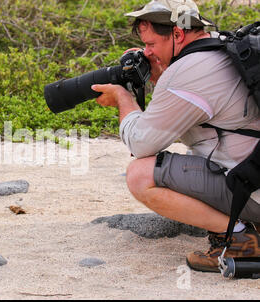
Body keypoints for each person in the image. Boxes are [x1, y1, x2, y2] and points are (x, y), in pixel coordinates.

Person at [91, 0, 260, 273]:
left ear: (178, 35)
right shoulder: (221, 47)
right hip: (254, 176)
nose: (147, 52)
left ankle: (238, 238)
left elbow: (141, 143)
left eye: (151, 45)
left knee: (141, 175)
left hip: (252, 192)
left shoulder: (186, 72)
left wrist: (124, 99)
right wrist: (162, 74)